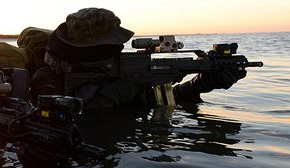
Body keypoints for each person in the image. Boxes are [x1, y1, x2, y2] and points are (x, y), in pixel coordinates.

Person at [25, 8, 246, 109]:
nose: (118, 47)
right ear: (92, 49)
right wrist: (117, 93)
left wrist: (203, 83)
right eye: (112, 44)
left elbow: (158, 102)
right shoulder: (47, 78)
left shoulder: (116, 70)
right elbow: (59, 121)